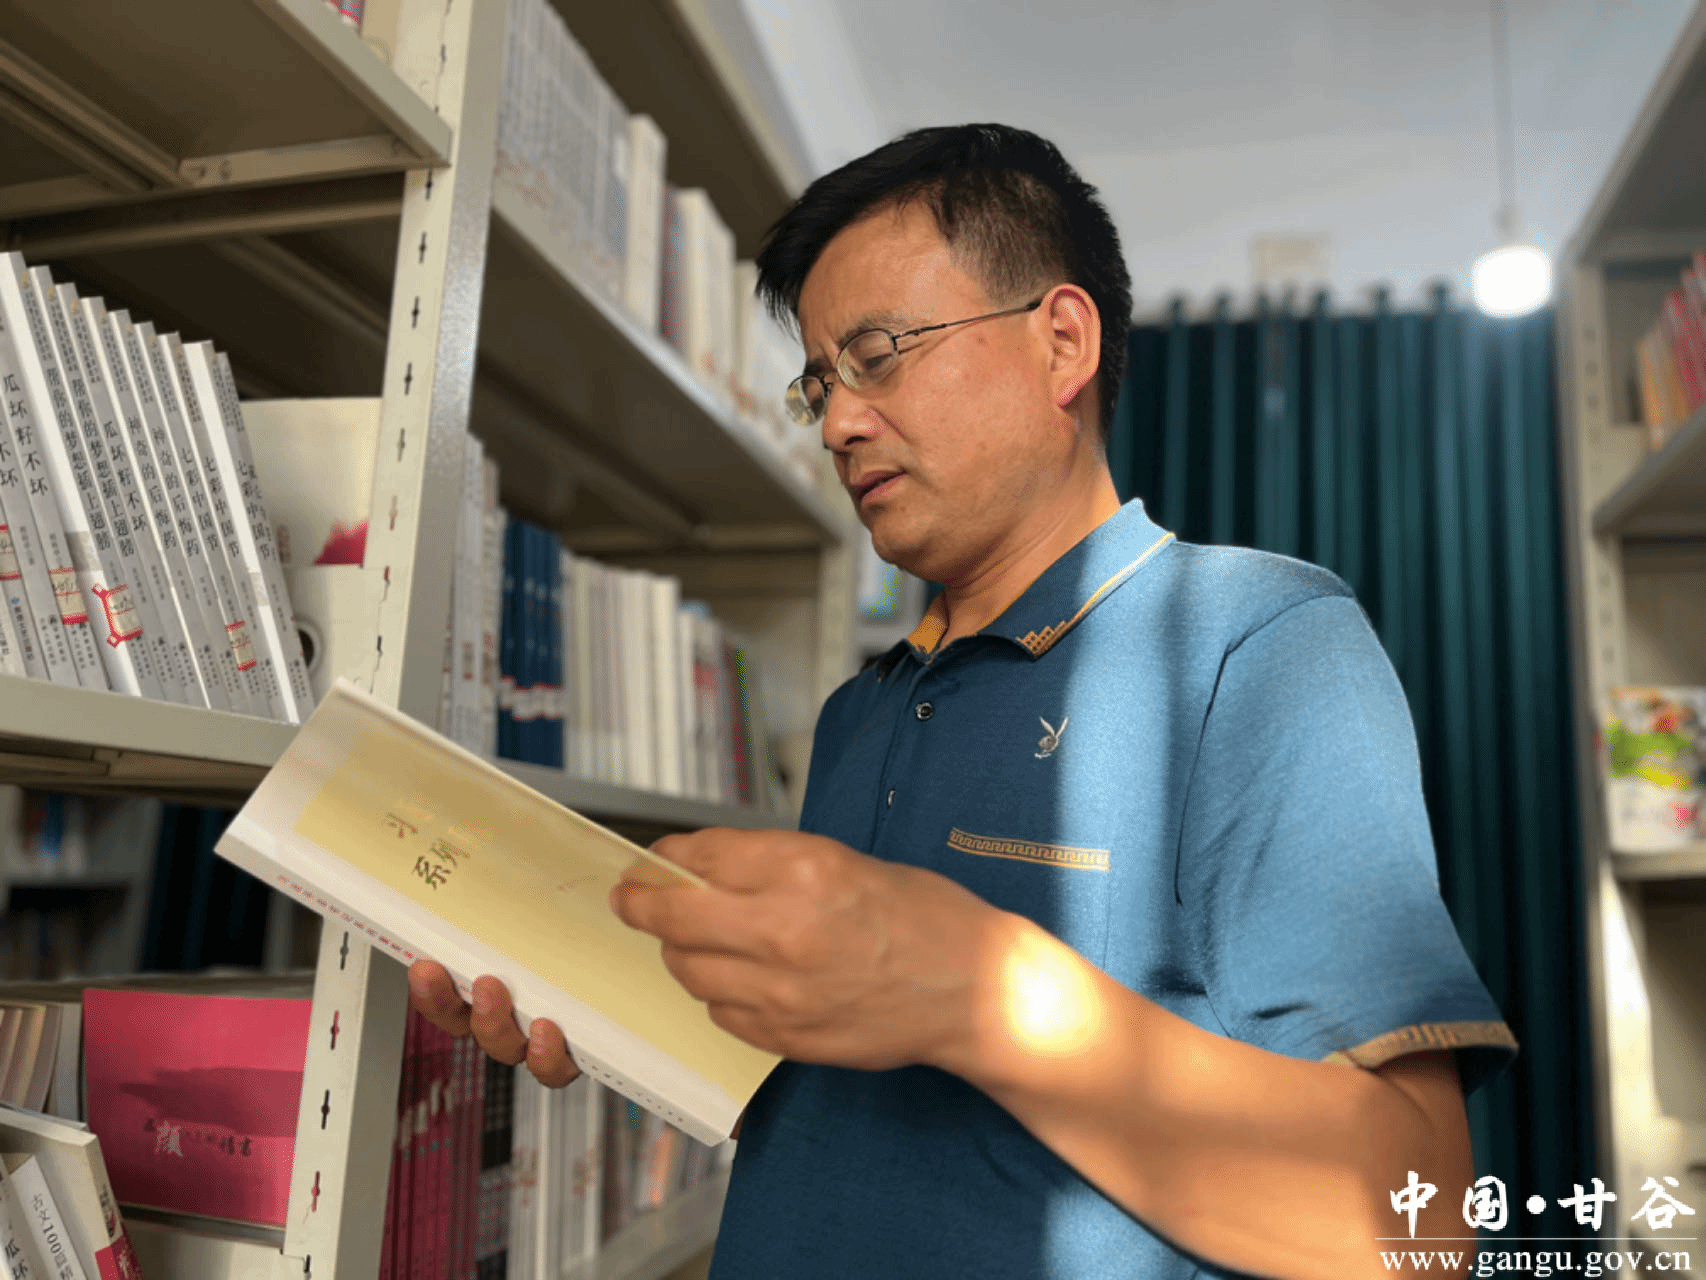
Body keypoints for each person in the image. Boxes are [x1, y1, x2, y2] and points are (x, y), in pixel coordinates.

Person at [410, 123, 1516, 1279]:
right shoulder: (856, 712)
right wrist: (616, 999)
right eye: (818, 382)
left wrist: (981, 990)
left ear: (1061, 340)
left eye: (877, 354)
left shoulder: (1255, 641)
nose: (837, 423)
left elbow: (1418, 1224)